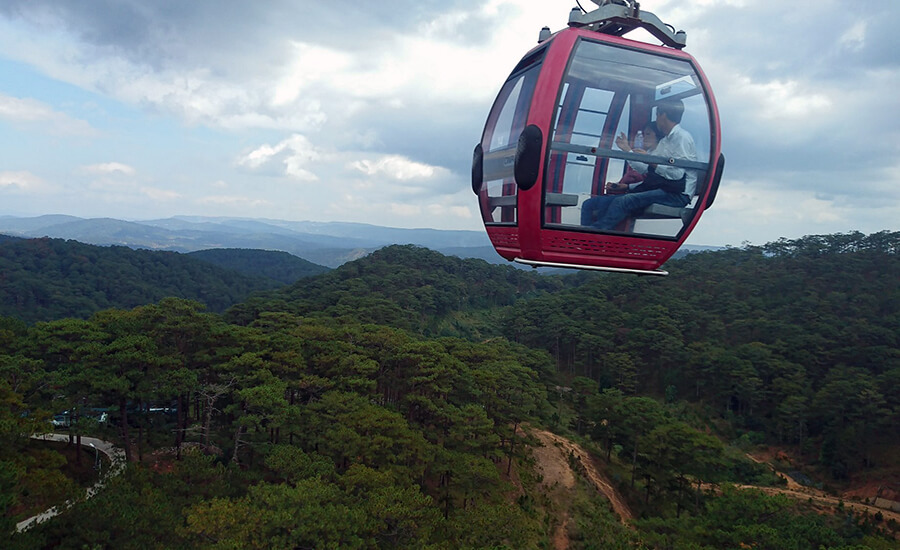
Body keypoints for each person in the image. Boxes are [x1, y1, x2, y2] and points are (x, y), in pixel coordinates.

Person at [581, 99, 697, 231]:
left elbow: (676, 175)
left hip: (677, 195)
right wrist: (628, 151)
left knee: (622, 201)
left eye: (657, 115)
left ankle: (595, 235)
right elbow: (646, 169)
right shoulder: (666, 141)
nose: (657, 119)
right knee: (597, 204)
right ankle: (589, 234)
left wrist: (649, 159)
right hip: (666, 189)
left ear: (662, 115)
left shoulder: (682, 138)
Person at [580, 122, 662, 226]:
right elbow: (648, 180)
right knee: (588, 204)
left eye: (648, 134)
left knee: (604, 205)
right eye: (644, 134)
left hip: (646, 196)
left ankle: (598, 235)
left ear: (658, 136)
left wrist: (627, 150)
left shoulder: (659, 156)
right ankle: (586, 233)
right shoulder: (648, 153)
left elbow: (644, 170)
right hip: (637, 192)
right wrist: (625, 186)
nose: (644, 138)